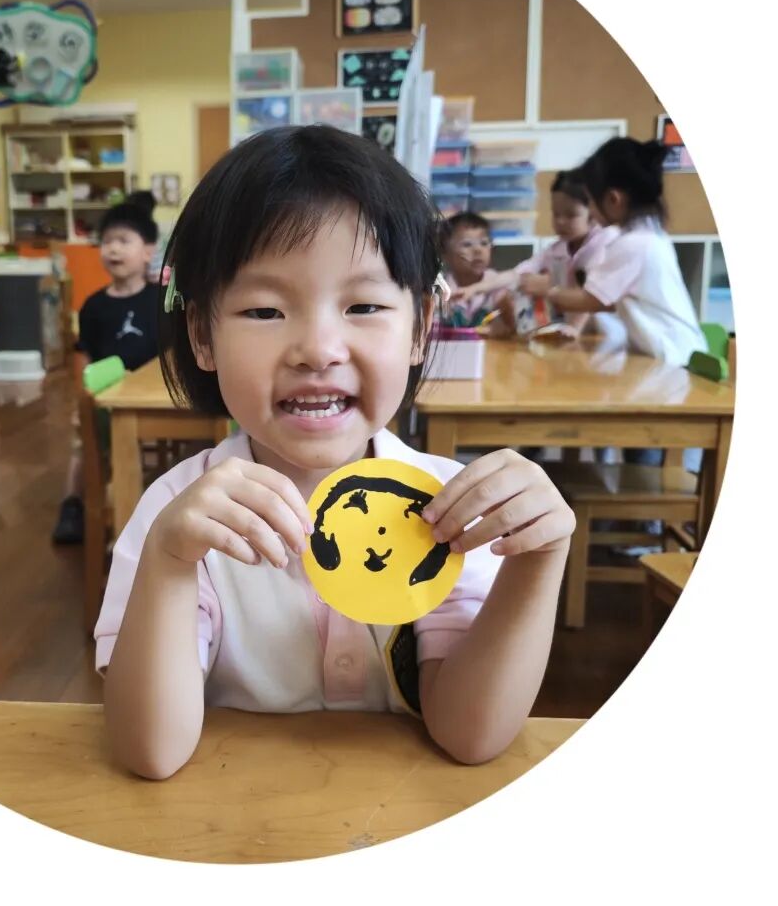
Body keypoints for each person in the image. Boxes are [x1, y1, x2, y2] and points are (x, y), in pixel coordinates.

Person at [94, 125, 575, 779]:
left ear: (420, 328)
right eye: (265, 311)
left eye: (365, 305)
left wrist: (538, 561)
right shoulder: (177, 514)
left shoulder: (450, 511)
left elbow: (469, 734)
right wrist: (170, 562)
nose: (318, 349)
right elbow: (149, 752)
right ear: (202, 335)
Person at [547, 137, 707, 473]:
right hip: (668, 361)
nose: (591, 213)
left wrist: (548, 290)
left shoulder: (633, 244)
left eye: (590, 202)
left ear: (614, 199)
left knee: (651, 459)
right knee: (644, 455)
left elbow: (593, 299)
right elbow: (608, 300)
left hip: (672, 366)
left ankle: (649, 505)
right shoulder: (650, 237)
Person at [52, 202, 161, 544]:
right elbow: (85, 356)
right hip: (105, 399)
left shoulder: (161, 301)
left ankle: (153, 509)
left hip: (151, 399)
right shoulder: (93, 306)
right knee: (83, 443)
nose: (113, 249)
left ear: (148, 251)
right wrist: (83, 398)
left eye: (123, 240)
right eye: (107, 241)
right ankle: (73, 504)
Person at [452, 170, 624, 341]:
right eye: (556, 214)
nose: (560, 221)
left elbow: (590, 294)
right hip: (576, 331)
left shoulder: (604, 243)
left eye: (571, 215)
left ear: (593, 213)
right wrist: (474, 289)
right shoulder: (558, 248)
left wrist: (573, 327)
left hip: (609, 331)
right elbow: (516, 274)